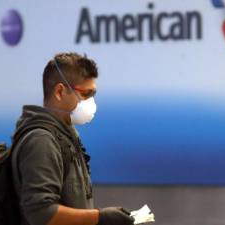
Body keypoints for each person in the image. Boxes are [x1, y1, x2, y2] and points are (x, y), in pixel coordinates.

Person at [11, 52, 135, 225]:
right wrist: (100, 217)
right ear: (60, 91)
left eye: (94, 95)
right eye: (86, 94)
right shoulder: (41, 141)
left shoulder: (65, 136)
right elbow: (41, 213)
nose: (91, 102)